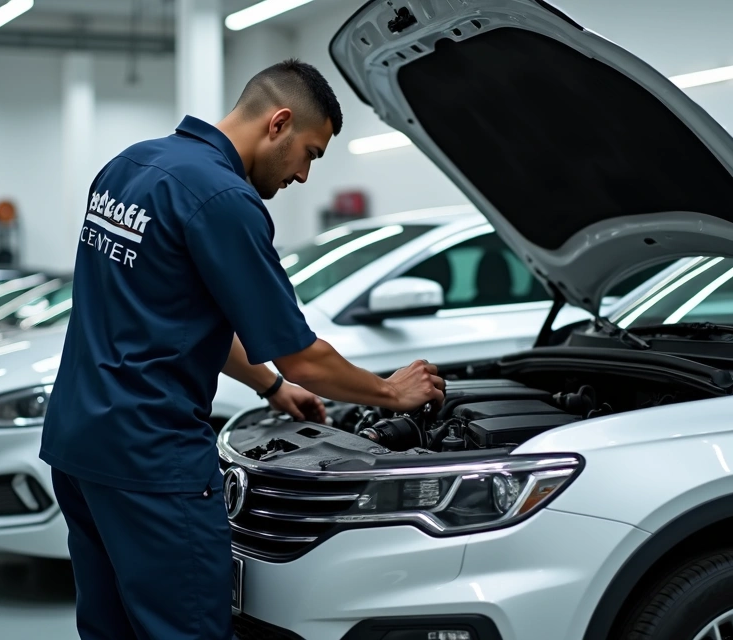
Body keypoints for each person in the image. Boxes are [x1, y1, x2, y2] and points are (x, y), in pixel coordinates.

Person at [40, 59, 446, 640]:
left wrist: (272, 388)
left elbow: (177, 314)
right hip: (153, 460)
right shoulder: (223, 198)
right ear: (279, 123)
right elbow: (301, 352)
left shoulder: (127, 165)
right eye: (311, 153)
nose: (304, 176)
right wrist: (389, 391)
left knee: (111, 630)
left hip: (80, 446)